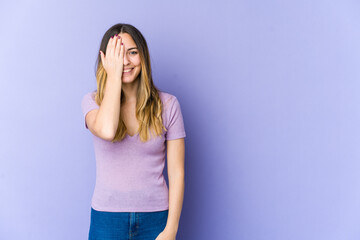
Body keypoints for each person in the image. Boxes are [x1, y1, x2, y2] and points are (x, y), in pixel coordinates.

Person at [81, 23, 186, 240]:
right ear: (106, 60)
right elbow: (108, 130)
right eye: (118, 54)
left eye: (132, 52)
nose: (126, 61)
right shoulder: (92, 102)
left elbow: (177, 173)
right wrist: (112, 75)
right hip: (107, 218)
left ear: (143, 56)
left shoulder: (169, 105)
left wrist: (171, 230)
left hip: (156, 218)